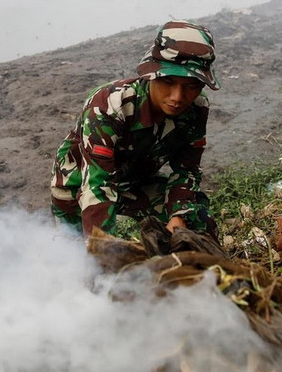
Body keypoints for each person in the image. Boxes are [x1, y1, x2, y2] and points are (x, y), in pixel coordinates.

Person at [50, 20, 221, 245]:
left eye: (191, 85)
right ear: (151, 75)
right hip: (80, 189)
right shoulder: (109, 106)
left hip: (136, 184)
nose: (178, 97)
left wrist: (178, 216)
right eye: (167, 81)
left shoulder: (197, 108)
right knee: (77, 258)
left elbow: (187, 169)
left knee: (197, 220)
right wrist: (103, 250)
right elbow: (98, 186)